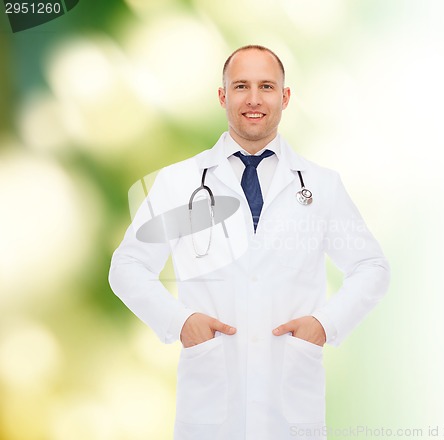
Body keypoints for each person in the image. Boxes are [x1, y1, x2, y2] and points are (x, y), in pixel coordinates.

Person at [109, 45, 390, 440]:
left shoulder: (321, 185)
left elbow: (371, 267)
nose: (254, 99)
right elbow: (127, 267)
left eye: (267, 86)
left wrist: (325, 325)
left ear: (285, 97)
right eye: (241, 86)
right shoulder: (179, 183)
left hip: (291, 404)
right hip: (210, 408)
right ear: (223, 96)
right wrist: (179, 322)